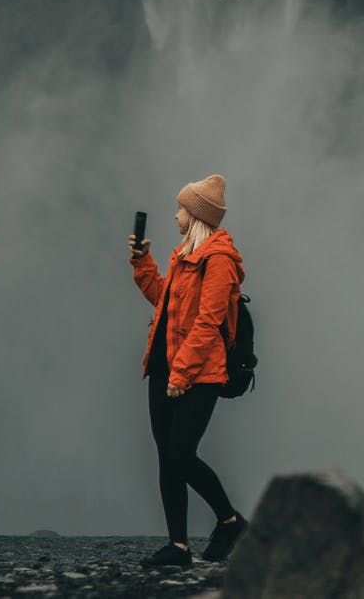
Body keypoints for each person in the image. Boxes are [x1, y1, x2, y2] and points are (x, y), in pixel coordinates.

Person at [128, 174, 248, 567]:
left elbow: (209, 321)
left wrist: (182, 375)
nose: (175, 214)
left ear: (197, 216)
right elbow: (163, 302)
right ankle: (177, 546)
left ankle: (230, 521)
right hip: (165, 366)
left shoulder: (219, 260)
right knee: (167, 455)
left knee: (181, 453)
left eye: (181, 208)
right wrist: (143, 263)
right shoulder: (184, 255)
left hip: (199, 374)